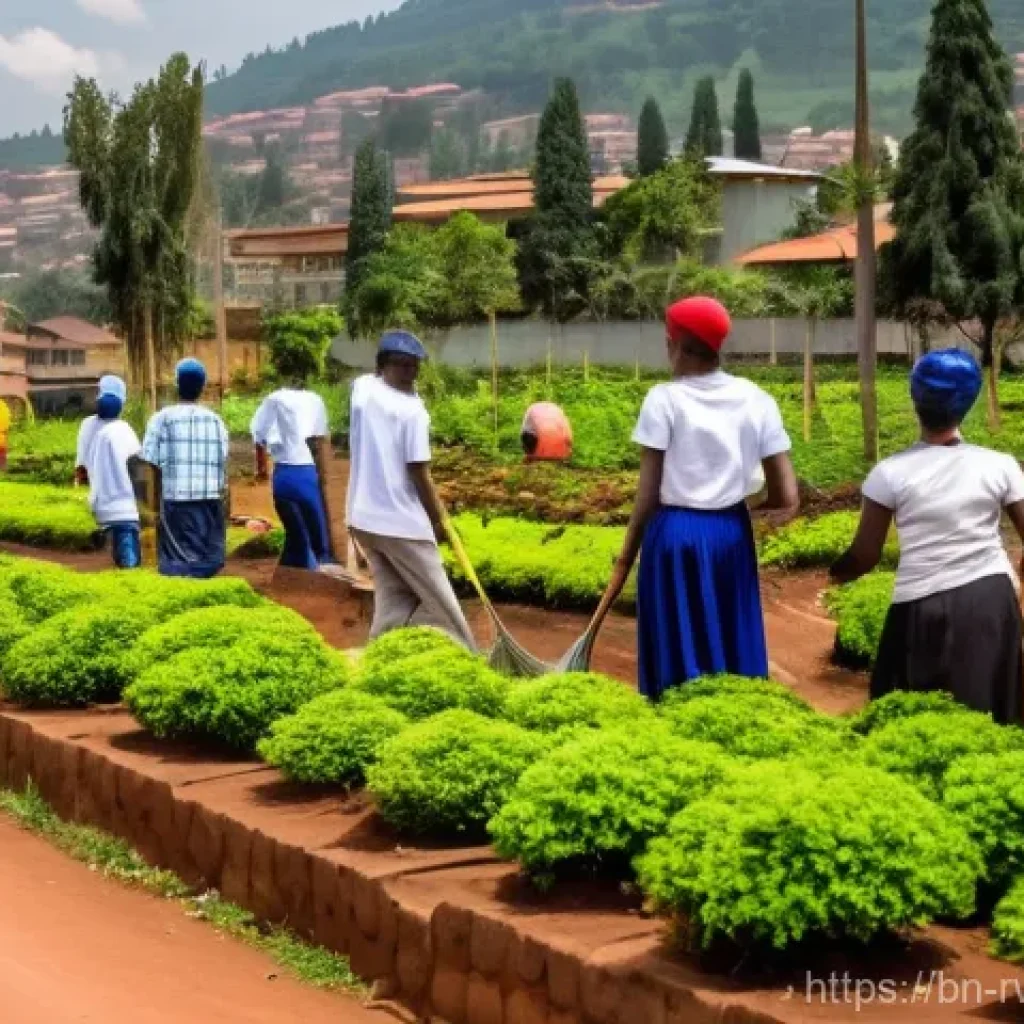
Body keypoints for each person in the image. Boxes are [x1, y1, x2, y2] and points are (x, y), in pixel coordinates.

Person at [595, 297, 799, 700]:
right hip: (730, 533)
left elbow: (647, 497)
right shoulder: (757, 399)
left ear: (677, 344)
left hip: (674, 535)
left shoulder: (664, 400)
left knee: (677, 648)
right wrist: (736, 507)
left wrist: (625, 557)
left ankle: (674, 716)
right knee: (729, 635)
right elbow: (786, 495)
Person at [831, 349, 1024, 724]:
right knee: (991, 714)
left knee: (909, 714)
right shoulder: (1000, 466)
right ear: (969, 402)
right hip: (990, 602)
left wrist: (837, 573)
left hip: (921, 608)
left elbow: (865, 555)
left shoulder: (890, 473)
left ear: (915, 398)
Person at [346, 330, 476, 649]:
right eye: (402, 365)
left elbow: (368, 386)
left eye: (414, 365)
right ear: (384, 365)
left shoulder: (363, 389)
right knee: (446, 611)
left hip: (364, 519)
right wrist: (439, 521)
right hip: (401, 523)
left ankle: (379, 653)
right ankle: (468, 654)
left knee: (393, 601)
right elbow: (418, 471)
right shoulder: (413, 412)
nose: (410, 372)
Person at [141, 358, 229, 579]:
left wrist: (152, 507)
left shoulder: (162, 419)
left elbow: (149, 464)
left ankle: (186, 593)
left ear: (177, 385)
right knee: (208, 559)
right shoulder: (216, 421)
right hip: (211, 500)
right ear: (202, 387)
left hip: (176, 501)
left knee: (178, 562)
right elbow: (223, 462)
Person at [250, 382, 342, 574]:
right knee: (317, 539)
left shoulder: (275, 398)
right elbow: (320, 438)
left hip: (284, 474)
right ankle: (316, 573)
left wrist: (261, 467)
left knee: (297, 534)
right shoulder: (315, 400)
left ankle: (289, 576)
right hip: (308, 474)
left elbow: (259, 434)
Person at [74, 374, 143, 569]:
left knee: (122, 545)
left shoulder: (91, 428)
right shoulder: (126, 431)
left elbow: (82, 465)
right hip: (128, 505)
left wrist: (86, 490)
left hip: (103, 500)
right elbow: (138, 466)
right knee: (128, 548)